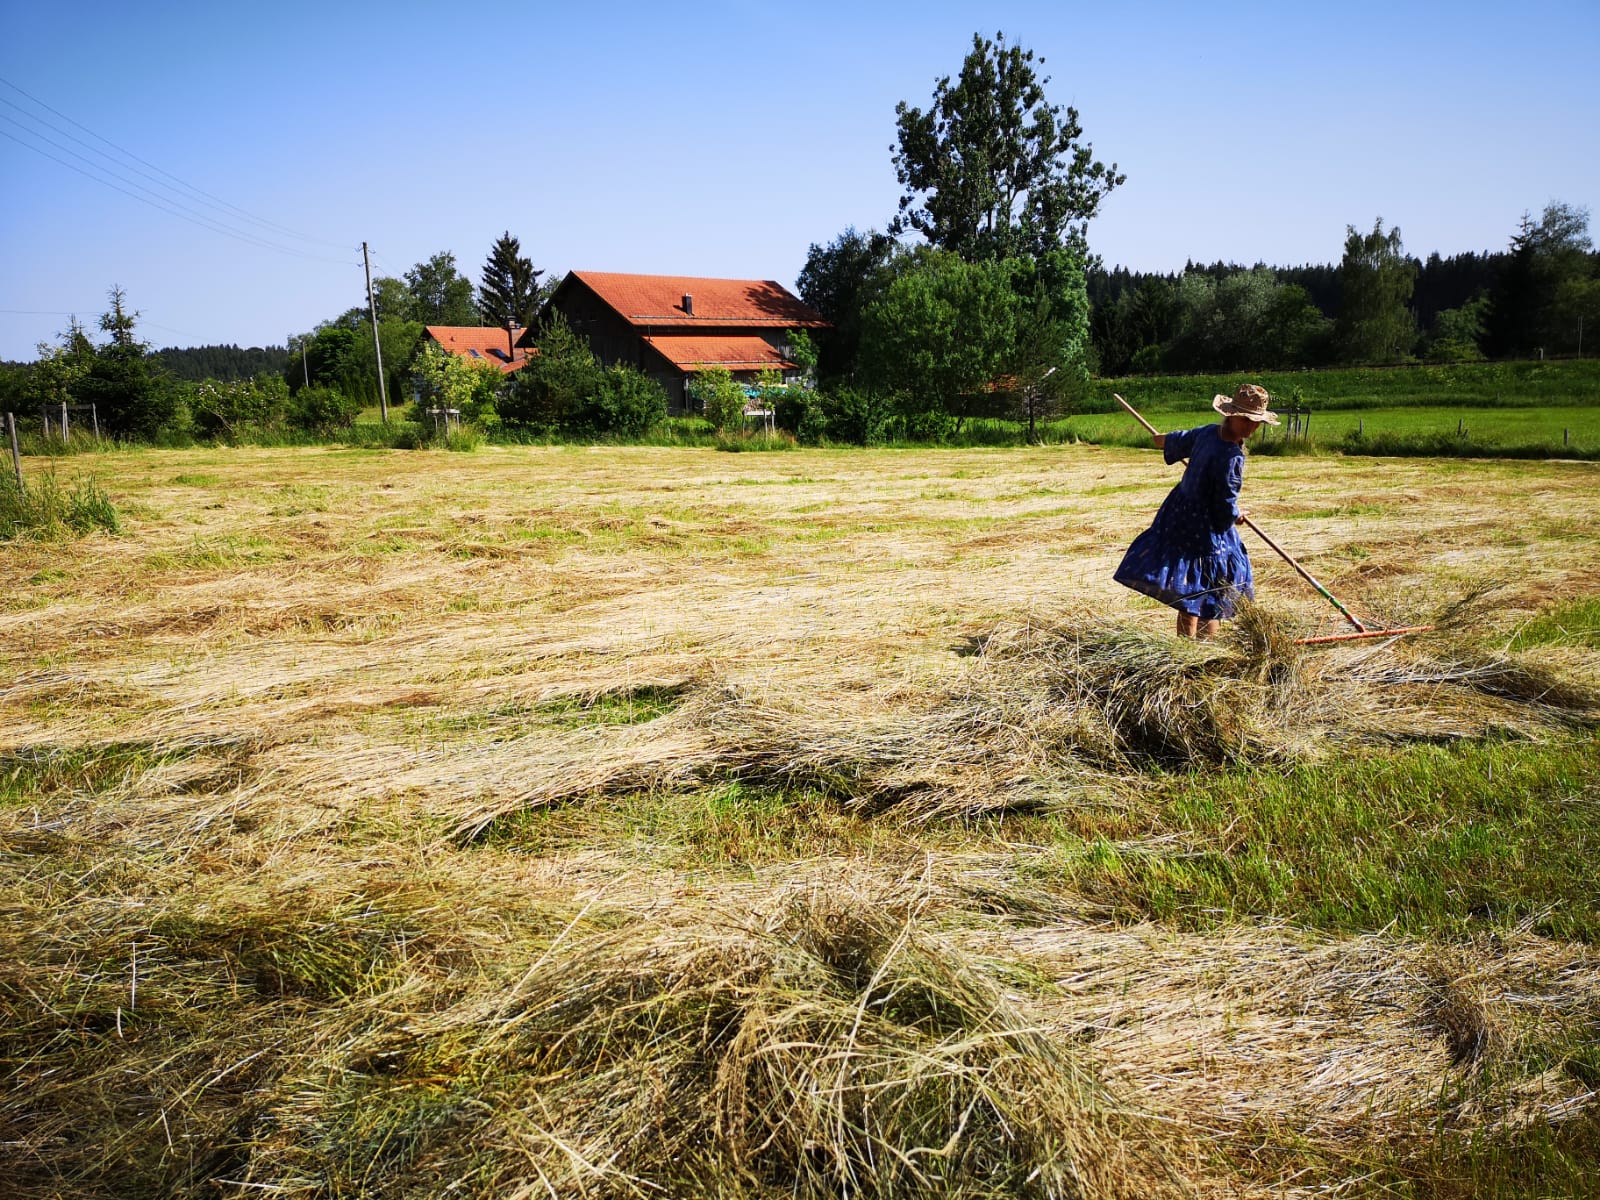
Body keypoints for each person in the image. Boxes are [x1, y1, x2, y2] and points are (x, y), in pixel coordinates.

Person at [1113, 384, 1280, 639]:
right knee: (1213, 588)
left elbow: (1177, 440)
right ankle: (1203, 650)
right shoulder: (1232, 456)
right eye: (1246, 419)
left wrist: (1164, 440)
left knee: (1191, 585)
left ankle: (1187, 648)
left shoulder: (1208, 433)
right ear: (1231, 416)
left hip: (1180, 513)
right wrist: (1235, 516)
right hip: (1203, 525)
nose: (1252, 426)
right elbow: (1224, 502)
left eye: (1256, 421)